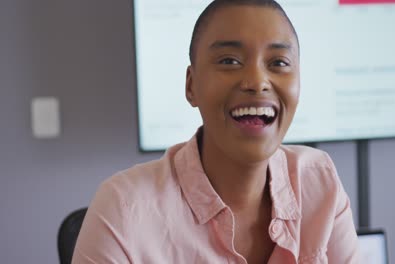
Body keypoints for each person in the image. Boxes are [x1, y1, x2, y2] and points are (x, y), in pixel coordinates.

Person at [72, 0, 360, 263]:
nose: (257, 81)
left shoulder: (319, 182)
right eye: (229, 61)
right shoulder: (124, 209)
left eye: (278, 63)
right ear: (191, 86)